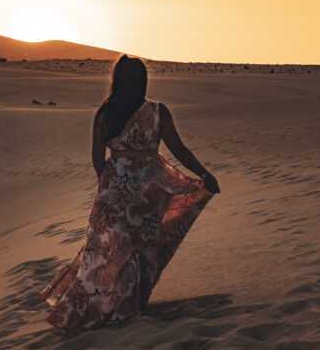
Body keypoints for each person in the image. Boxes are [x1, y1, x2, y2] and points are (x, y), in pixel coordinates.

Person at [39, 54, 220, 333]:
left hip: (117, 191)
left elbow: (98, 158)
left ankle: (104, 308)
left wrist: (110, 186)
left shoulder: (107, 112)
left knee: (106, 251)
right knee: (138, 251)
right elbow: (178, 149)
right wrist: (204, 174)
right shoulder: (156, 111)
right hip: (149, 193)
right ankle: (125, 308)